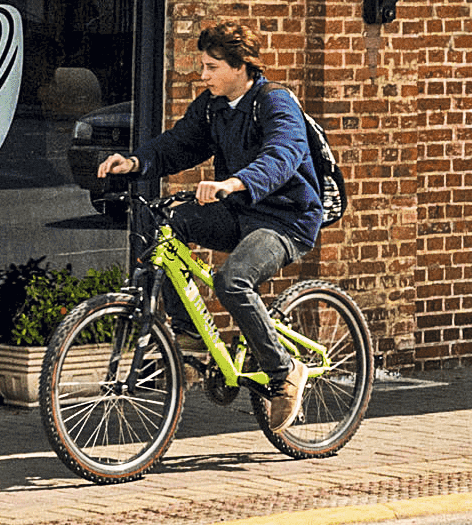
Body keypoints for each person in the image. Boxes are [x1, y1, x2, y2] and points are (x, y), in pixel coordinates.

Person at [97, 21, 319, 405]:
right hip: (238, 213)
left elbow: (282, 156)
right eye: (203, 66)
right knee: (169, 226)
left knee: (231, 282)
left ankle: (285, 371)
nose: (203, 76)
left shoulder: (275, 101)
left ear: (240, 66)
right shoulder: (213, 107)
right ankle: (189, 334)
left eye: (211, 68)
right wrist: (133, 162)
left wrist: (233, 184)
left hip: (285, 219)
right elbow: (178, 145)